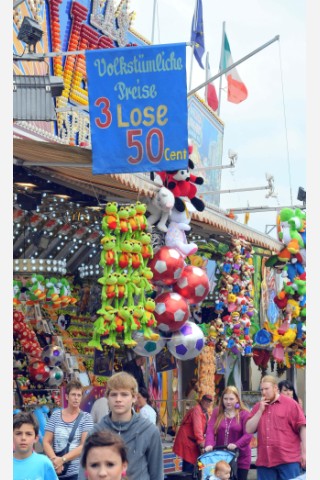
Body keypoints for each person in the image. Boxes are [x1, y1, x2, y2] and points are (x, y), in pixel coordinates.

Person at [77, 371, 163, 480]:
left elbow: (157, 474)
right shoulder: (95, 432)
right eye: (113, 394)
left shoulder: (149, 431)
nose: (118, 399)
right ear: (107, 397)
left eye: (124, 394)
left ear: (134, 398)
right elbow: (84, 472)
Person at [245, 375, 306, 480]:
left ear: (275, 388)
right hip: (265, 462)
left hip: (288, 460)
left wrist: (305, 453)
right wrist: (260, 411)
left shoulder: (291, 404)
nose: (264, 392)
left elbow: (302, 428)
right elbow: (248, 429)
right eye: (262, 389)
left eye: (266, 389)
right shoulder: (258, 407)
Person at [43, 379, 94, 480]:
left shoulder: (86, 417)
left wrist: (63, 459)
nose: (76, 398)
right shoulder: (56, 415)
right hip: (56, 470)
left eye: (79, 395)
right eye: (73, 394)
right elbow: (46, 441)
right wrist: (55, 461)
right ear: (66, 396)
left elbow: (84, 445)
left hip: (76, 473)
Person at [205, 386, 252, 480]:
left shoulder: (244, 414)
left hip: (240, 457)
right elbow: (210, 430)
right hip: (222, 457)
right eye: (225, 399)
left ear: (237, 399)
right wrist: (209, 444)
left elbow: (248, 434)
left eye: (231, 399)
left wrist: (236, 444)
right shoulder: (217, 412)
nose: (228, 402)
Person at [173, 393, 213, 474]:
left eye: (209, 402)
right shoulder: (197, 410)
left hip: (194, 444)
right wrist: (202, 444)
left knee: (200, 466)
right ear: (201, 401)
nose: (207, 403)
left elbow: (209, 429)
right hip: (188, 443)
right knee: (190, 467)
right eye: (205, 401)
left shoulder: (206, 413)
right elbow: (197, 429)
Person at [13, 411, 58, 480]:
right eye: (18, 433)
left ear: (36, 438)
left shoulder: (44, 463)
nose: (23, 438)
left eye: (28, 434)